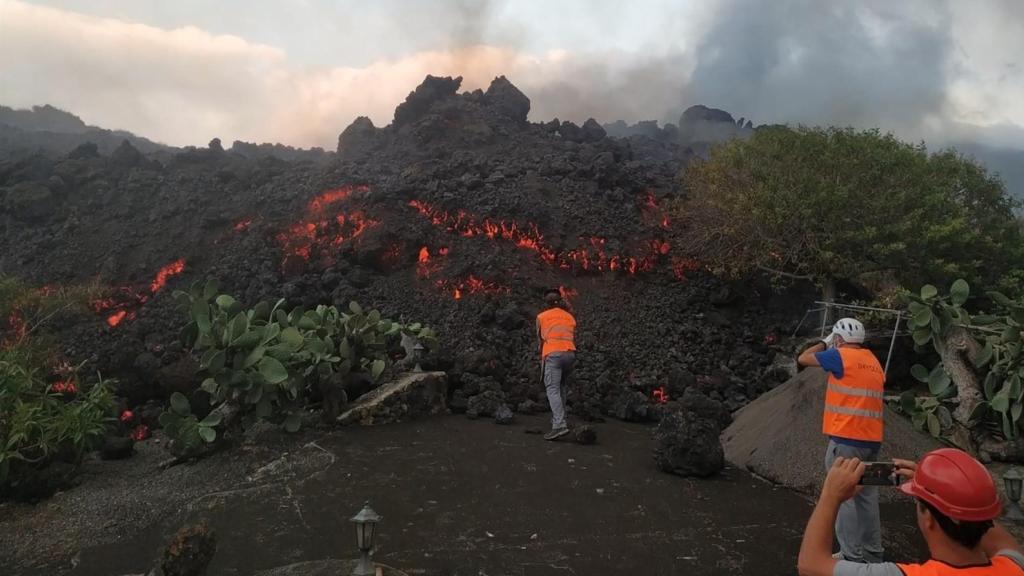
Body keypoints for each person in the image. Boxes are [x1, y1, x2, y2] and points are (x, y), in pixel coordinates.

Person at [798, 448, 1024, 575]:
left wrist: (830, 495)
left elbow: (811, 564)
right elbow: (987, 523)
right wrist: (938, 486)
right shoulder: (1014, 567)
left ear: (929, 520)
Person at [798, 317, 886, 562]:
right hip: (872, 441)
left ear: (839, 339)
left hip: (847, 439)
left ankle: (850, 555)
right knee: (867, 497)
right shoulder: (872, 361)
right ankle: (873, 553)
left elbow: (803, 358)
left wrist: (824, 343)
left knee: (843, 494)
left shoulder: (840, 356)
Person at [536, 289, 576, 441]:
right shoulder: (569, 317)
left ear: (546, 304)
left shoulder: (541, 317)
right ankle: (559, 418)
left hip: (553, 354)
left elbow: (540, 340)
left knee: (552, 388)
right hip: (570, 354)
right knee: (561, 387)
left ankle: (559, 425)